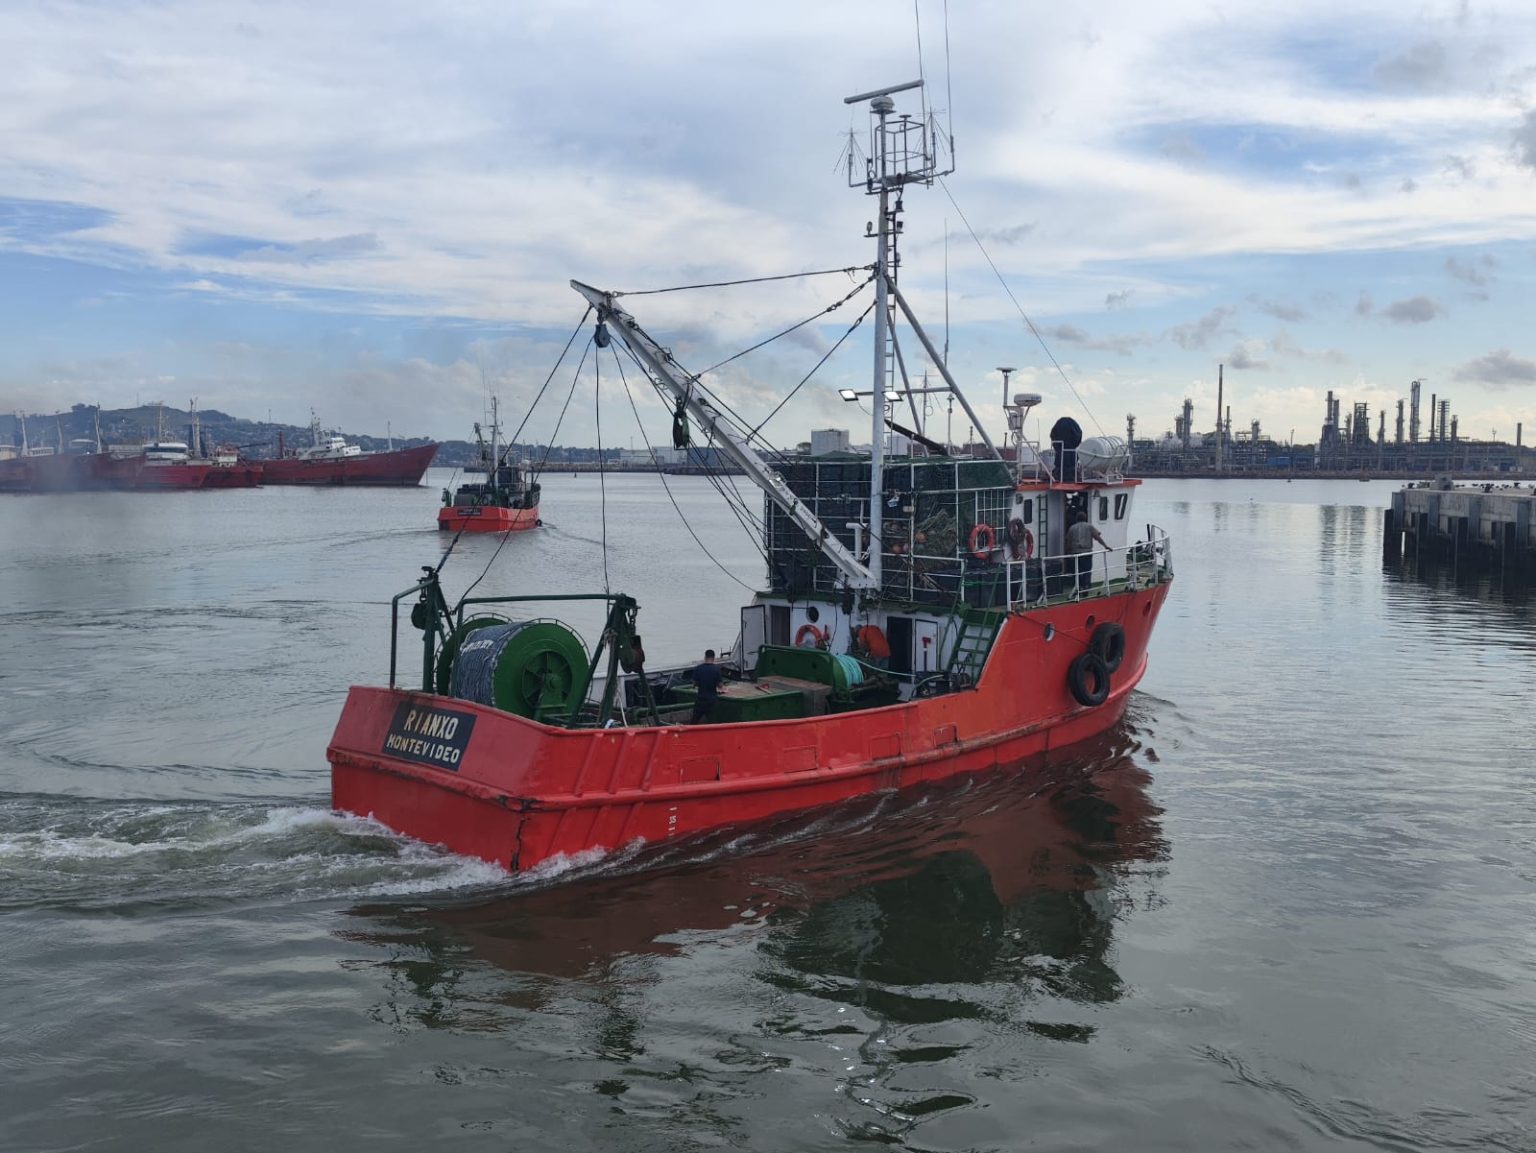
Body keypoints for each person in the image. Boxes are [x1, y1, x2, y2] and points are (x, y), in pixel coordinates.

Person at [1066, 510, 1108, 594]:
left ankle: (1080, 586)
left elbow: (1069, 541)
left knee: (1078, 571)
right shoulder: (1089, 527)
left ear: (1076, 518)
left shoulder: (1072, 528)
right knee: (1087, 570)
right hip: (1087, 552)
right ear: (1085, 518)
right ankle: (1086, 586)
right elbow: (1097, 537)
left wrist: (1068, 552)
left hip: (1076, 553)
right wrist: (1105, 546)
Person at [688, 648, 723, 724]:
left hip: (700, 699)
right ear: (713, 658)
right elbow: (720, 685)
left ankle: (690, 734)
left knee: (694, 721)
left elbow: (694, 684)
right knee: (713, 721)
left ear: (705, 657)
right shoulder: (716, 669)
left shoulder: (698, 668)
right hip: (712, 700)